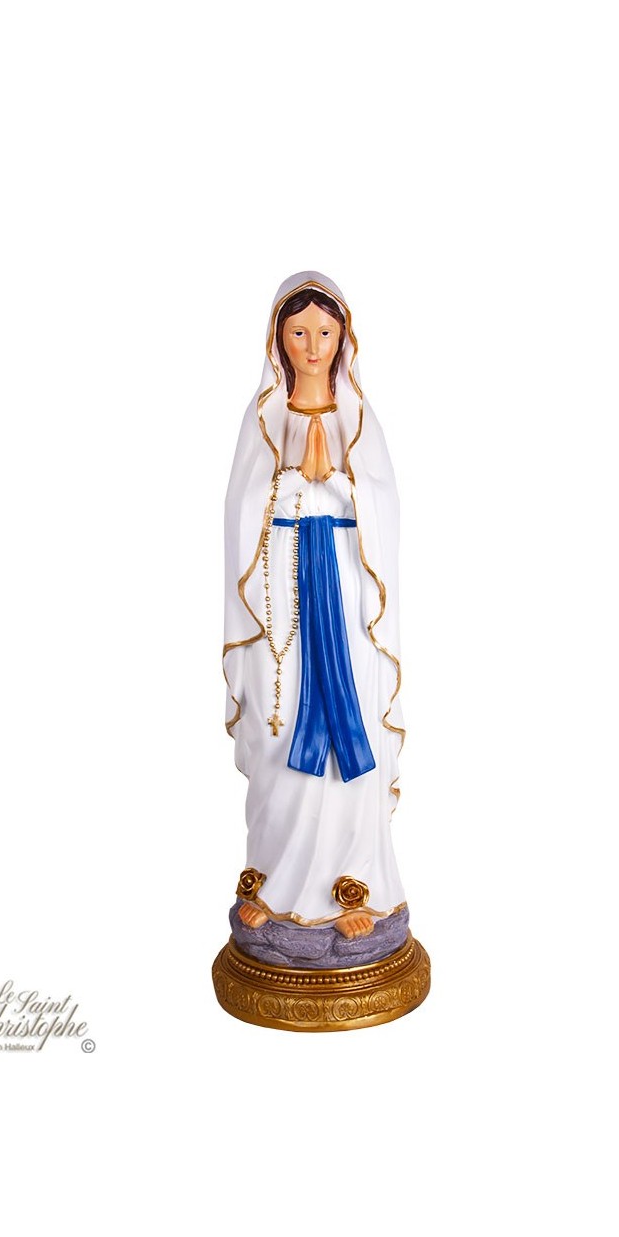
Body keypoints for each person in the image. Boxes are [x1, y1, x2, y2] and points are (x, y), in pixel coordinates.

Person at [223, 273, 407, 948]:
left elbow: (383, 510)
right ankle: (275, 885)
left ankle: (355, 885)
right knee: (277, 733)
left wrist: (341, 487)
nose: (311, 346)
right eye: (298, 332)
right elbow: (241, 510)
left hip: (347, 598)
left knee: (351, 727)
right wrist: (291, 484)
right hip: (281, 598)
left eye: (324, 333)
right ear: (279, 338)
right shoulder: (264, 417)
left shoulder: (358, 417)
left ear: (343, 339)